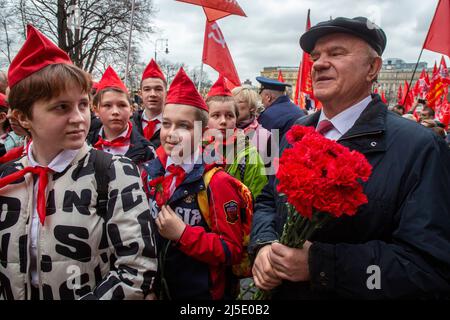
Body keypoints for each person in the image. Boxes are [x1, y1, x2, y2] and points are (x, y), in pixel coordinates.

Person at [250, 16, 450, 299]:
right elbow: (268, 201)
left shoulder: (422, 148)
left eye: (336, 53)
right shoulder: (294, 133)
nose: (318, 63)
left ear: (372, 68)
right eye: (316, 56)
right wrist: (264, 245)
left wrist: (320, 265)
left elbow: (428, 271)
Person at [0, 25, 157, 300]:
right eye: (61, 107)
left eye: (83, 104)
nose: (79, 118)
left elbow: (136, 270)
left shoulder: (114, 173)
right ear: (23, 117)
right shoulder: (7, 179)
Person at [142, 68, 249, 300]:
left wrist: (183, 234)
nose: (171, 133)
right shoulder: (150, 172)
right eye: (166, 123)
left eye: (183, 126)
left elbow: (232, 250)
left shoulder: (218, 182)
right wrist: (148, 286)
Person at [205, 75, 268, 198]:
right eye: (216, 115)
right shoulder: (194, 150)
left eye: (229, 115)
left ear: (236, 118)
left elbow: (256, 198)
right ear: (206, 118)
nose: (223, 121)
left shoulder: (249, 155)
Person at [87, 66, 155, 167]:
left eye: (122, 105)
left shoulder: (147, 151)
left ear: (131, 110)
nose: (115, 112)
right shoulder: (85, 144)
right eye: (107, 105)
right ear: (96, 110)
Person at [131, 59, 167, 148]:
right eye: (147, 89)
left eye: (158, 89)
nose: (153, 94)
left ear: (166, 93)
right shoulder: (129, 124)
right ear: (140, 94)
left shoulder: (176, 126)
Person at [232, 85, 272, 158]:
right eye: (230, 101)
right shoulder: (223, 130)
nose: (232, 106)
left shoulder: (264, 136)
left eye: (237, 102)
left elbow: (270, 167)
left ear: (252, 108)